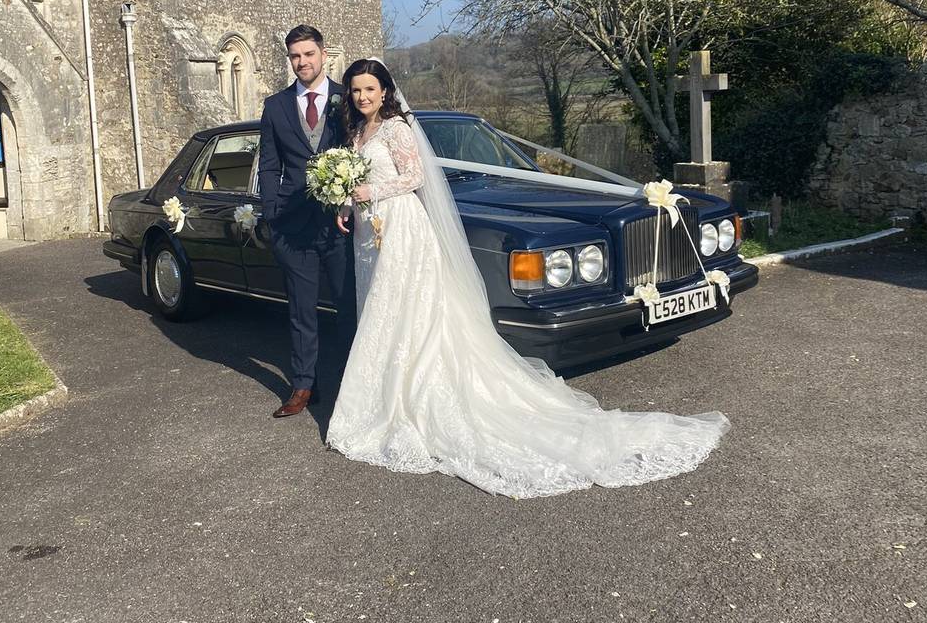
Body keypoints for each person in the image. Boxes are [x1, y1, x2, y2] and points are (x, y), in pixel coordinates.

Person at [326, 59, 730, 499]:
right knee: (382, 310)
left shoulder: (398, 128)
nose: (362, 96)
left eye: (369, 89)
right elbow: (367, 178)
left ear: (385, 90)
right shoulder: (355, 133)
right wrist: (348, 202)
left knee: (409, 310)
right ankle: (384, 396)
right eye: (356, 90)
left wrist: (371, 191)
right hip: (371, 231)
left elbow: (417, 176)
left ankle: (409, 398)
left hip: (402, 226)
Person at [257, 25, 354, 418]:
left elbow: (361, 154)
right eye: (295, 56)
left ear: (323, 54)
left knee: (348, 308)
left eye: (309, 54)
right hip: (292, 228)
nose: (303, 62)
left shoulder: (346, 100)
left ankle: (352, 385)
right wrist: (272, 215)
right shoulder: (275, 106)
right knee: (301, 312)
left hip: (341, 227)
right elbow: (268, 165)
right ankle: (303, 386)